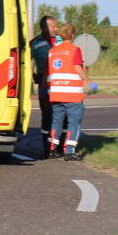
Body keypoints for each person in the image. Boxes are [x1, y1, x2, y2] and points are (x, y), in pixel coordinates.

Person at [47, 23, 97, 161]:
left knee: (56, 121)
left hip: (56, 93)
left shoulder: (52, 51)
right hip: (72, 94)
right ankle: (69, 151)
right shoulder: (75, 49)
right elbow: (78, 69)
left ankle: (52, 149)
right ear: (73, 35)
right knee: (74, 122)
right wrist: (89, 82)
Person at [29, 15, 59, 155]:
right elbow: (24, 59)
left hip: (60, 81)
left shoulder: (60, 40)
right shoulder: (35, 43)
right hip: (43, 82)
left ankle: (59, 145)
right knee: (46, 114)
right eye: (53, 26)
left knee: (60, 114)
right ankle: (46, 146)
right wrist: (31, 75)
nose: (56, 29)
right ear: (44, 27)